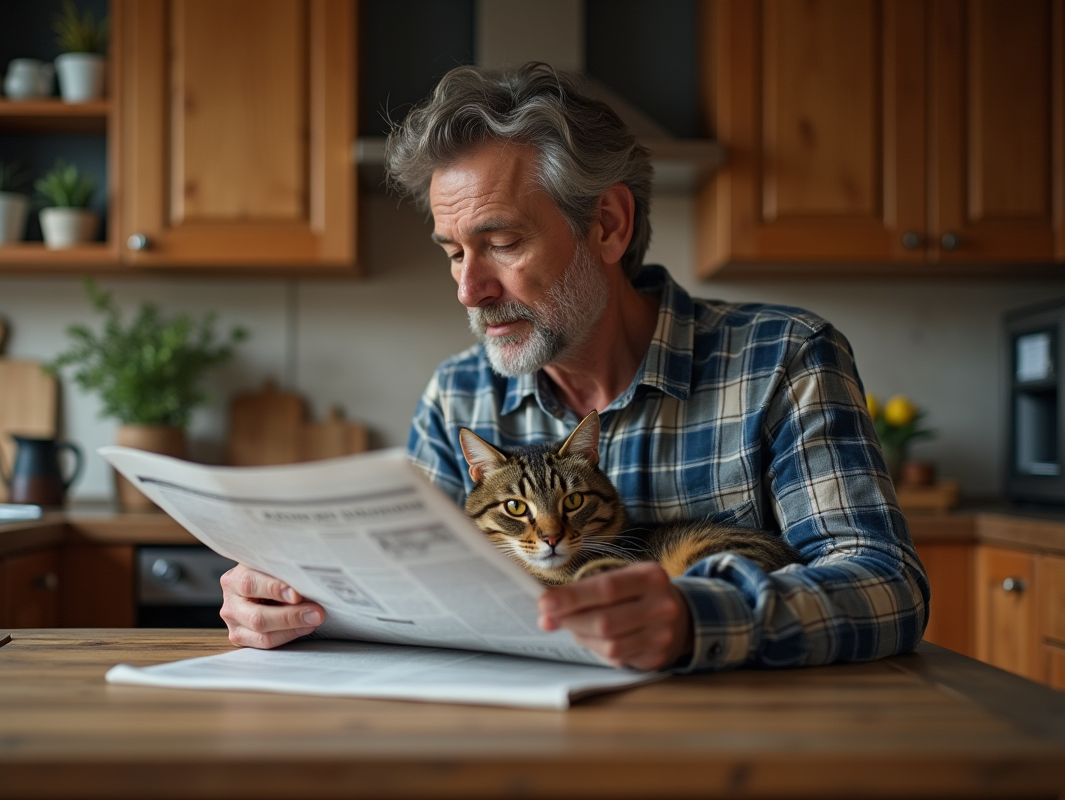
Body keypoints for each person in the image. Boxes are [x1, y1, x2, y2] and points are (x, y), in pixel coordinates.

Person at [220, 62, 929, 672]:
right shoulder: (456, 398)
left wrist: (698, 620)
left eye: (500, 242)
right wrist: (288, 606)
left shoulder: (784, 358)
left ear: (609, 226)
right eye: (453, 252)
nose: (470, 290)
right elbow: (411, 598)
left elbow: (885, 585)